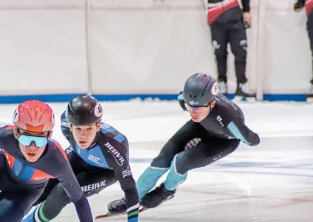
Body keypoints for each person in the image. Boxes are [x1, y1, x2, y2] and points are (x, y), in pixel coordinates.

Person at [3, 95, 156, 222]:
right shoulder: (64, 122)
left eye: (89, 128)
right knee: (43, 182)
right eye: (78, 129)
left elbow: (131, 191)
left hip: (104, 172)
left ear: (98, 126)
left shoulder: (115, 150)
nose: (83, 135)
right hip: (78, 156)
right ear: (69, 126)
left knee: (62, 192)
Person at [108, 73, 260, 214]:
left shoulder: (230, 120)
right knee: (163, 158)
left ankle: (166, 192)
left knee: (180, 161)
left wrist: (244, 133)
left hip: (223, 142)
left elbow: (253, 140)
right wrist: (195, 108)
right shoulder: (187, 100)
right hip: (201, 126)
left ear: (212, 104)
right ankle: (131, 199)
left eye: (198, 107)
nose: (193, 112)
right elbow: (188, 103)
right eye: (189, 106)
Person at [153, 0, 256, 101]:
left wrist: (246, 11)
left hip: (236, 20)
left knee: (240, 52)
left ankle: (242, 86)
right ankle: (222, 85)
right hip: (216, 22)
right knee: (220, 54)